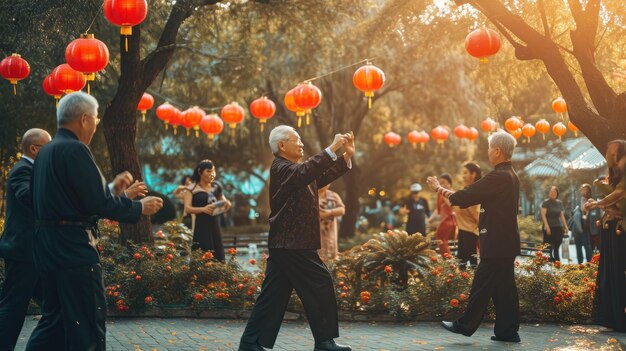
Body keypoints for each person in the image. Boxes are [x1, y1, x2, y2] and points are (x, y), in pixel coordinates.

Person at [25, 92, 163, 351]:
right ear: (85, 119)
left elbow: (72, 200)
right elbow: (97, 204)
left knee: (53, 323)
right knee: (87, 323)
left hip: (47, 248)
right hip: (74, 251)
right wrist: (138, 208)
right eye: (96, 120)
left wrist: (112, 190)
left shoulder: (46, 153)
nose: (96, 125)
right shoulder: (75, 148)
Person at [239, 125, 354, 351]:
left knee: (272, 296)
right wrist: (333, 147)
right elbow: (306, 172)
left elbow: (319, 175)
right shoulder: (282, 168)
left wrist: (347, 155)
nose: (301, 144)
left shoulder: (296, 172)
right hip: (292, 243)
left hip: (288, 243)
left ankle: (250, 343)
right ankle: (324, 342)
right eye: (297, 140)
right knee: (320, 283)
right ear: (282, 145)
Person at [426, 131, 521, 343]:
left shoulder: (499, 176)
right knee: (504, 289)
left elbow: (465, 196)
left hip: (497, 242)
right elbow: (469, 197)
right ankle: (508, 331)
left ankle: (465, 325)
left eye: (489, 148)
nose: (488, 152)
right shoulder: (510, 175)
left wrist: (439, 189)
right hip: (505, 241)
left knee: (481, 284)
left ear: (497, 151)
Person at [0, 128, 51, 350]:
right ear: (34, 148)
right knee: (13, 307)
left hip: (34, 252)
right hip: (23, 252)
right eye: (47, 147)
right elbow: (27, 196)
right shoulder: (22, 170)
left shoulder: (32, 170)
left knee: (55, 305)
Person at [585, 140, 626, 332]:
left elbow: (619, 193)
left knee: (619, 271)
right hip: (609, 229)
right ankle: (610, 317)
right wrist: (602, 205)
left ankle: (621, 318)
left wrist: (597, 204)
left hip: (621, 230)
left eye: (612, 149)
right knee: (609, 271)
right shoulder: (612, 172)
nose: (608, 151)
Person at [183, 160, 231, 261]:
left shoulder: (216, 186)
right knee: (202, 256)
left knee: (218, 256)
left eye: (213, 171)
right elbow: (187, 208)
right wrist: (203, 209)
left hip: (215, 226)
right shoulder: (191, 188)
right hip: (201, 227)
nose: (212, 174)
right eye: (208, 171)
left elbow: (224, 201)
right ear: (200, 172)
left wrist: (226, 204)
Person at [453, 163, 481, 269]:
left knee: (471, 261)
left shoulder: (473, 191)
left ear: (473, 174)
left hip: (470, 231)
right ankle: (464, 283)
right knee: (462, 261)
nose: (463, 176)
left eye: (466, 173)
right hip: (463, 229)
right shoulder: (466, 189)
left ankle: (477, 284)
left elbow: (475, 213)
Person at [570, 183, 599, 263]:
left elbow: (595, 213)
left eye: (585, 189)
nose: (583, 191)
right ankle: (580, 266)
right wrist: (575, 211)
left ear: (589, 191)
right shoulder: (577, 200)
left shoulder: (591, 200)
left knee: (587, 248)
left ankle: (589, 265)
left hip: (587, 228)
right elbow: (572, 213)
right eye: (582, 189)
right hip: (577, 228)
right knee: (578, 248)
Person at [429, 173, 457, 256]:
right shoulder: (440, 195)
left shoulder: (451, 194)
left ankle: (449, 260)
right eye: (440, 183)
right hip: (447, 221)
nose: (441, 185)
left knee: (441, 239)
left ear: (450, 184)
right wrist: (431, 219)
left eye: (443, 182)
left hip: (448, 220)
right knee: (442, 240)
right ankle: (448, 259)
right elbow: (439, 209)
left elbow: (451, 205)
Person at [540, 185, 569, 262]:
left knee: (557, 247)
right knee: (548, 247)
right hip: (549, 227)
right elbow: (543, 215)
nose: (553, 193)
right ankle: (548, 262)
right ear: (549, 193)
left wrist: (565, 226)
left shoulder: (559, 203)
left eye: (554, 192)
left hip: (558, 228)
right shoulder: (546, 202)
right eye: (551, 192)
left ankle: (557, 262)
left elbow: (561, 215)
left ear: (557, 194)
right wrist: (547, 226)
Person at [318, 184, 345, 260]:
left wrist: (329, 212)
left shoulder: (333, 195)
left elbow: (342, 210)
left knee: (331, 258)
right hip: (317, 236)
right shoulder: (311, 195)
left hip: (331, 234)